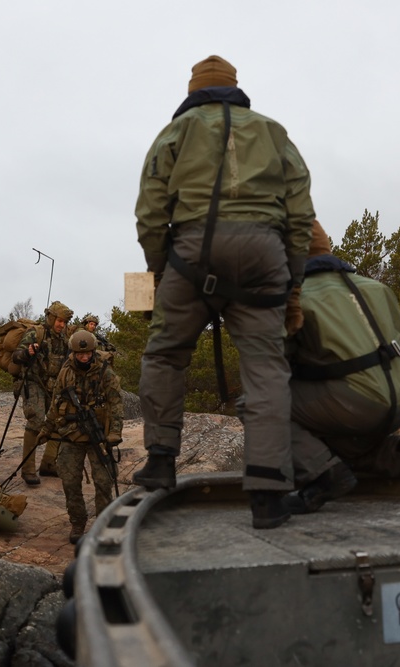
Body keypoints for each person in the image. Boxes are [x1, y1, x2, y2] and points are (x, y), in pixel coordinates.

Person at [132, 55, 315, 529]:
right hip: (264, 252)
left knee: (166, 354)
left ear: (194, 90)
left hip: (193, 250)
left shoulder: (175, 132)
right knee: (266, 369)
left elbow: (151, 209)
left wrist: (161, 270)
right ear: (235, 88)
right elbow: (300, 212)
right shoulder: (274, 132)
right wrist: (292, 281)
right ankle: (270, 494)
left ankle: (160, 460)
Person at [280, 221, 400, 513]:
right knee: (342, 448)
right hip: (398, 399)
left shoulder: (296, 298)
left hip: (354, 403)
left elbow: (272, 362)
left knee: (256, 401)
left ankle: (323, 477)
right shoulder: (374, 288)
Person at [39, 330, 124, 544]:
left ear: (93, 351)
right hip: (72, 434)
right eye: (80, 354)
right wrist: (47, 429)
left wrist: (115, 432)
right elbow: (56, 401)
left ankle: (104, 525)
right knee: (69, 480)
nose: (84, 358)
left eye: (87, 353)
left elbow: (116, 403)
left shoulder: (105, 372)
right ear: (74, 353)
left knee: (104, 482)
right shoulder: (65, 372)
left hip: (99, 436)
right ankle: (77, 523)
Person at [11, 301, 73, 485]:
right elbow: (16, 356)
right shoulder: (36, 333)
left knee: (60, 420)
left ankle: (48, 463)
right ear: (51, 318)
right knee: (37, 420)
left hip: (54, 387)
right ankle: (28, 470)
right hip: (33, 382)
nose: (61, 325)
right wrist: (28, 352)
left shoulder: (64, 340)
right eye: (59, 321)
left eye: (64, 322)